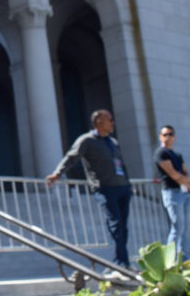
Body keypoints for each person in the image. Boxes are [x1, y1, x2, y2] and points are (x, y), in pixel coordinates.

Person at [46, 109, 133, 268]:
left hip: (123, 188)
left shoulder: (113, 142)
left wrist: (128, 184)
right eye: (110, 120)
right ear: (99, 121)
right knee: (115, 225)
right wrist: (57, 173)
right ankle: (120, 264)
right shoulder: (87, 140)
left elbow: (121, 164)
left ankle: (123, 262)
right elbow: (72, 157)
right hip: (105, 189)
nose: (113, 123)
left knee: (123, 228)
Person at [154, 125, 190, 259]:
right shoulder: (161, 153)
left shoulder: (177, 155)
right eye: (165, 134)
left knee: (186, 229)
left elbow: (185, 172)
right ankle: (170, 259)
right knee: (177, 227)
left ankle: (183, 259)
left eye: (170, 134)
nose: (168, 137)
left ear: (174, 137)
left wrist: (186, 182)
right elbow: (174, 174)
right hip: (171, 193)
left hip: (184, 193)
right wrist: (187, 183)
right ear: (160, 136)